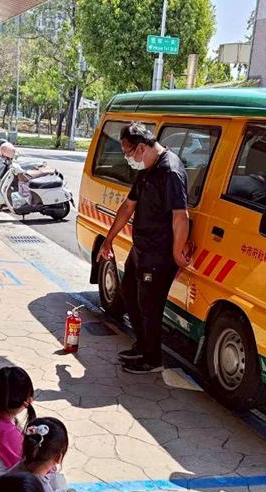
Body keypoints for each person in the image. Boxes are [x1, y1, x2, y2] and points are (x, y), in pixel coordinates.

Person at [97, 122, 190, 375]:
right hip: (141, 249)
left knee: (150, 305)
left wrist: (176, 253)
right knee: (129, 291)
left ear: (141, 148)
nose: (128, 159)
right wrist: (109, 239)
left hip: (159, 253)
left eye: (127, 153)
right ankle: (142, 345)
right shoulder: (147, 170)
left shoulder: (170, 171)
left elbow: (180, 216)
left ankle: (153, 358)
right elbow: (128, 206)